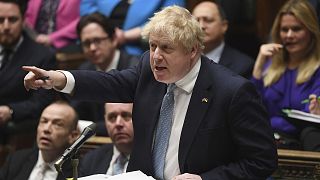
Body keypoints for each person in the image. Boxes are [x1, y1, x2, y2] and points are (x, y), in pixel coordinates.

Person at [23, 5, 277, 180]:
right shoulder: (148, 68)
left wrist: (205, 178)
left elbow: (261, 161)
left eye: (166, 48)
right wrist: (57, 78)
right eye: (153, 45)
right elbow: (109, 83)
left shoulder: (232, 91)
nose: (156, 56)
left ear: (192, 51)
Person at [251, 0, 320, 151]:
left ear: (311, 31)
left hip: (298, 147)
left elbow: (308, 118)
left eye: (296, 29)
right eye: (284, 29)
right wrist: (258, 66)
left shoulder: (317, 70)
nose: (289, 35)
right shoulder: (270, 67)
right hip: (264, 144)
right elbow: (250, 108)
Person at [72, 12, 139, 136]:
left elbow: (137, 118)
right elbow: (74, 116)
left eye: (97, 41)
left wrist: (91, 127)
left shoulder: (135, 68)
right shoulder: (84, 70)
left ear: (113, 39)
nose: (92, 48)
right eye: (86, 43)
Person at [0, 0, 56, 144]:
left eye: (12, 20)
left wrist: (10, 111)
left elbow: (40, 103)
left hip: (13, 131)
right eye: (0, 20)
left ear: (24, 20)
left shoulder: (42, 56)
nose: (6, 26)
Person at [0, 101, 80, 180]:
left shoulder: (79, 171)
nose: (46, 129)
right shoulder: (16, 160)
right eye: (44, 121)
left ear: (73, 136)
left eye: (57, 124)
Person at [80, 0, 185, 55]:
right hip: (103, 43)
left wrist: (125, 36)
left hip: (145, 49)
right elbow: (87, 13)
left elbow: (173, 19)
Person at [192, 1, 254, 79]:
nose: (201, 26)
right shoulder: (182, 59)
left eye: (208, 20)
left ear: (224, 26)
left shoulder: (243, 65)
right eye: (196, 21)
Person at [79, 103, 133, 176]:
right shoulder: (91, 160)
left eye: (126, 116)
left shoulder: (152, 161)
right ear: (105, 121)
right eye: (112, 117)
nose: (118, 123)